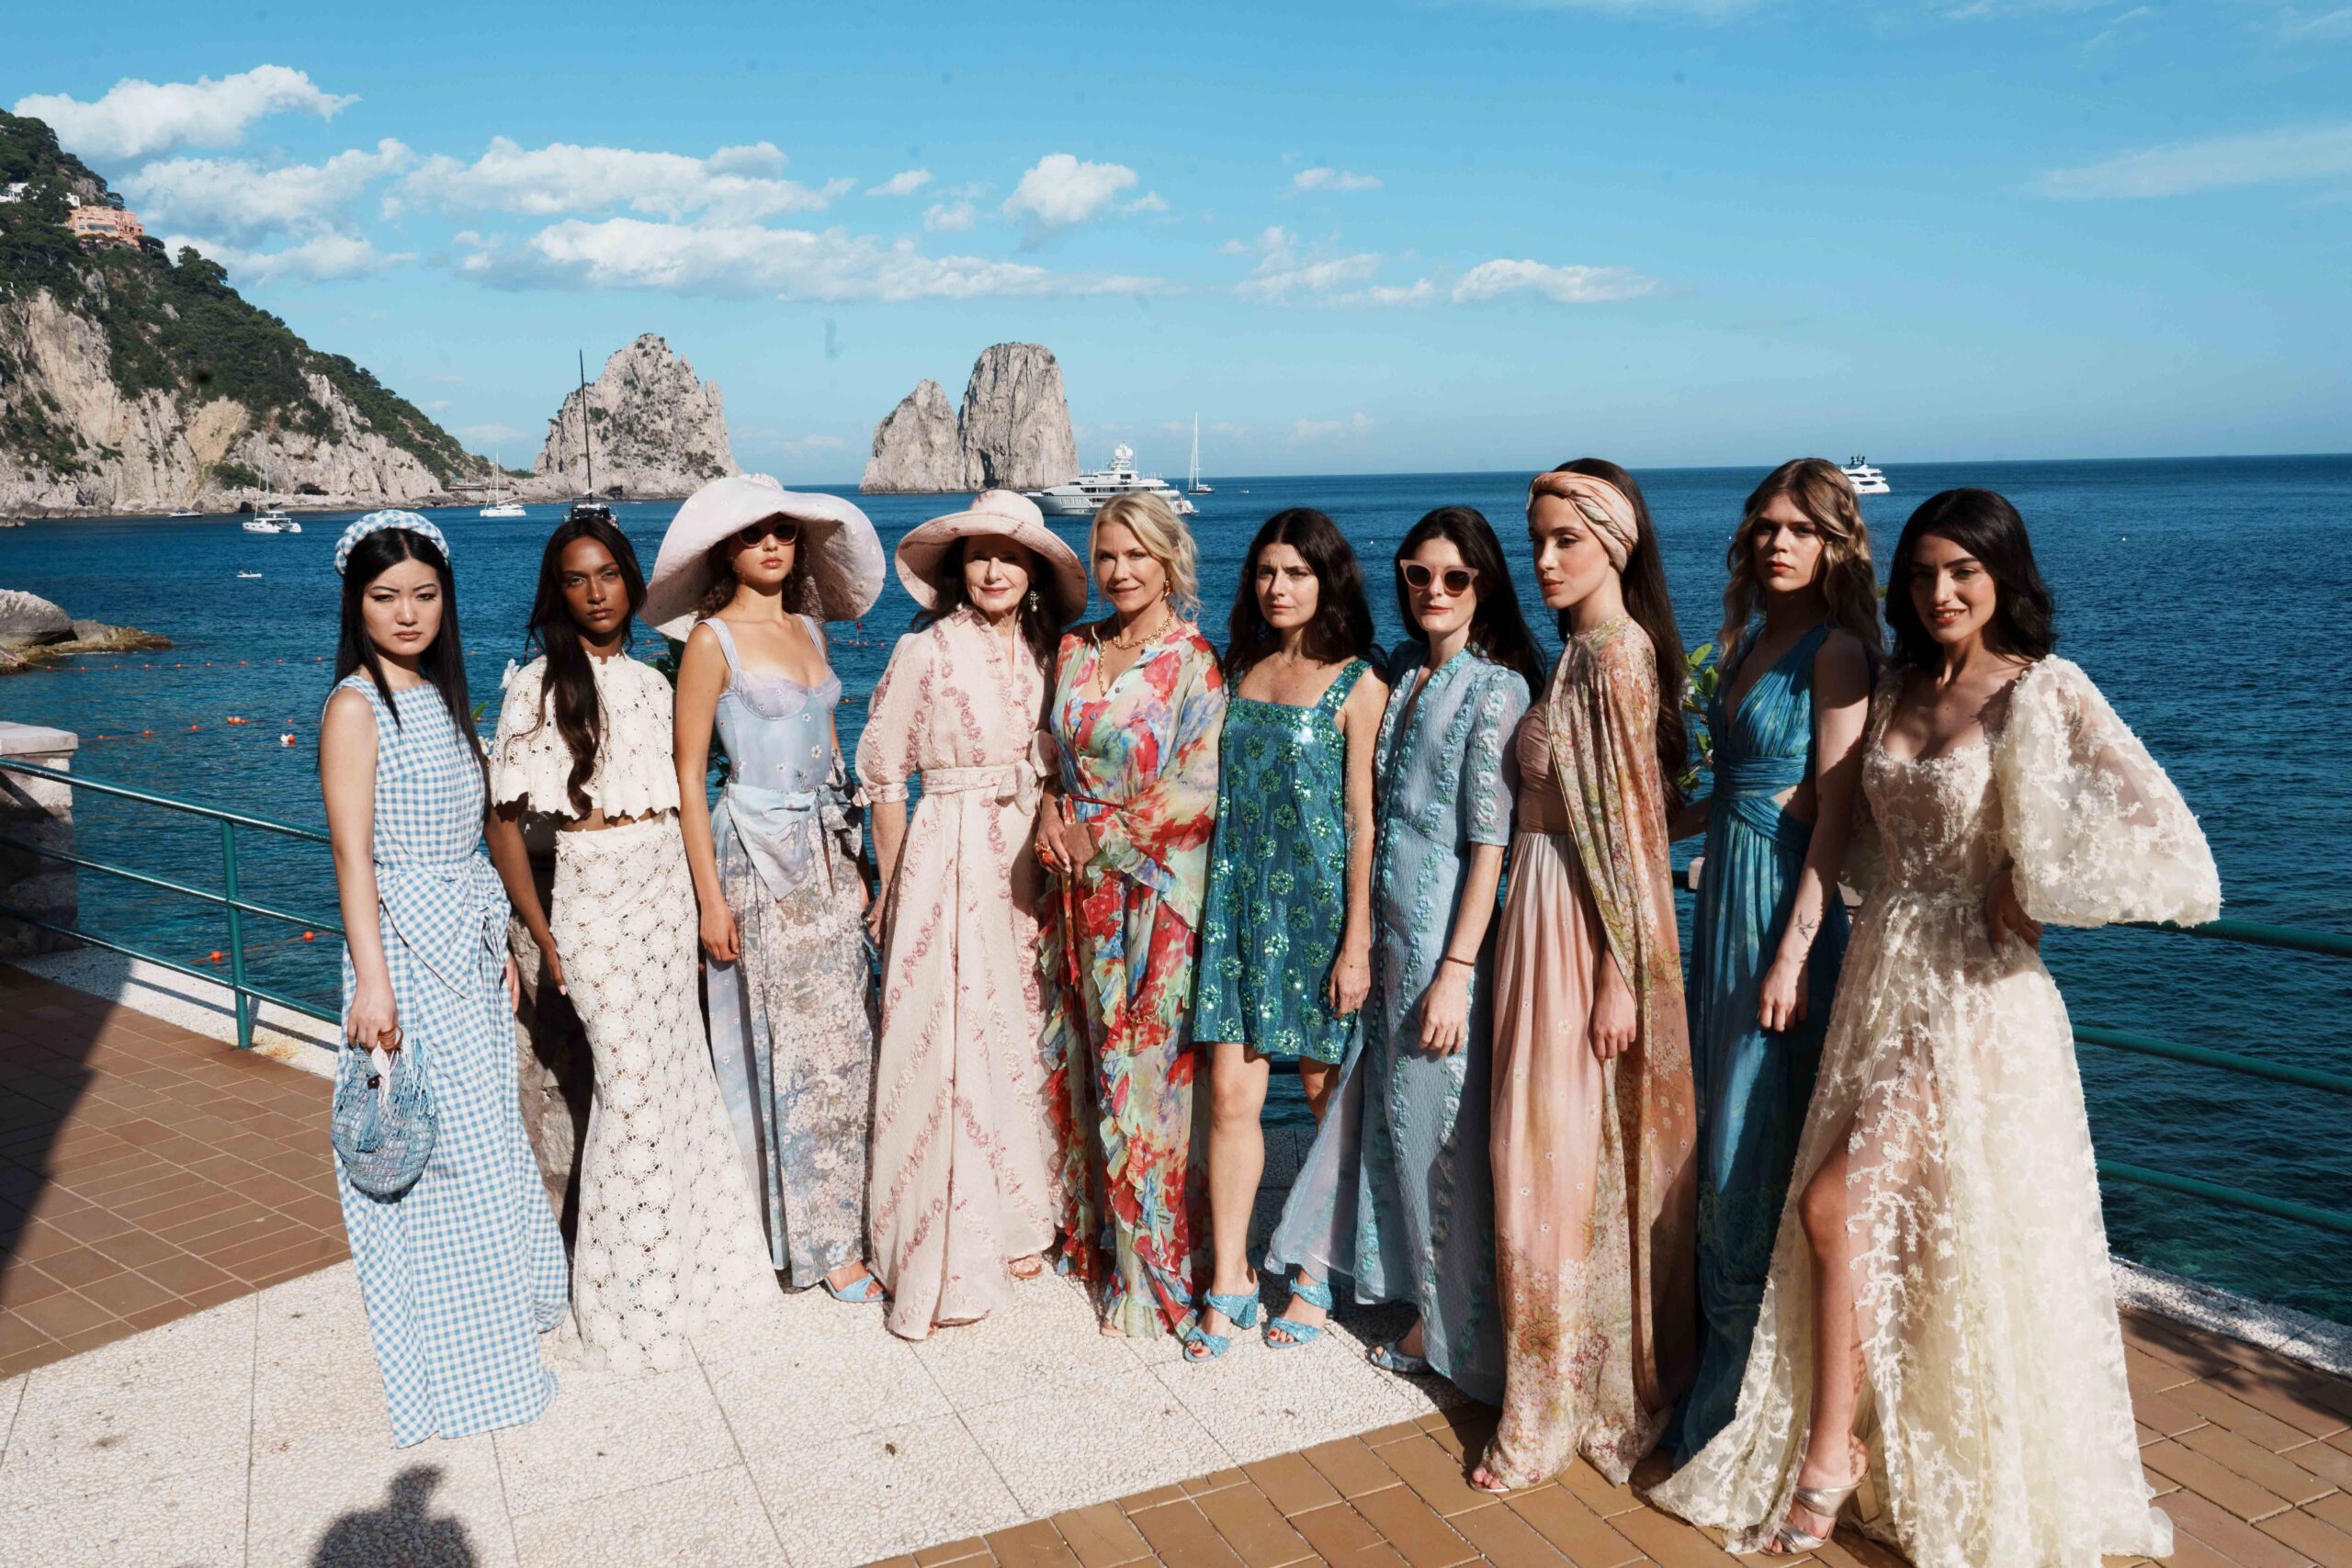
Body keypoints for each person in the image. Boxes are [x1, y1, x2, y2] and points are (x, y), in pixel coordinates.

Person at [1647, 490, 2218, 1564]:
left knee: (1831, 1207)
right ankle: (1897, 1442)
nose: (1940, 592)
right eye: (1921, 574)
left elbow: (2171, 841)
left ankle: (1829, 1457)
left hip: (1978, 998)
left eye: (1963, 571)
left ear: (2005, 576)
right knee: (1909, 1232)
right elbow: (1842, 830)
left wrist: (2034, 886)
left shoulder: (2043, 691)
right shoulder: (1895, 685)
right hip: (1879, 974)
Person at [1261, 506, 1544, 1394]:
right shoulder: (1406, 674)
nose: (1434, 590)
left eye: (1454, 577)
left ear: (1484, 584)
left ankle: (1447, 1321)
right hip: (1386, 939)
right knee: (1372, 1109)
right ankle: (1345, 1275)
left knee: (1435, 1134)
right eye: (1419, 575)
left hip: (1440, 948)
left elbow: (1490, 846)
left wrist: (1457, 973)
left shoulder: (1496, 689)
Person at [484, 513, 777, 1372]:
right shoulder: (535, 687)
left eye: (608, 574)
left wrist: (702, 903)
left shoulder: (654, 684)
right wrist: (543, 932)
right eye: (576, 579)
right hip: (593, 898)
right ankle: (627, 1308)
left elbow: (684, 796)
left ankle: (697, 1280)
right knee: (632, 1091)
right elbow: (503, 825)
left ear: (632, 581)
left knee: (681, 1083)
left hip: (664, 895)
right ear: (558, 592)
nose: (596, 592)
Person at [317, 513, 567, 1446]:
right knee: (436, 1158)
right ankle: (461, 1370)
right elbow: (354, 859)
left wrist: (497, 940)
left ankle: (501, 1332)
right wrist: (371, 985)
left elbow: (472, 839)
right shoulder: (354, 707)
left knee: (484, 1142)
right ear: (357, 603)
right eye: (386, 597)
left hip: (464, 945)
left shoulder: (439, 696)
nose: (407, 612)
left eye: (424, 594)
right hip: (403, 957)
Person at [1475, 461, 1699, 1494]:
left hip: (1579, 925)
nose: (1544, 558)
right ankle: (1548, 1384)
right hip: (1539, 910)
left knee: (1551, 1159)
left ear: (1614, 541)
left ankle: (1555, 1402)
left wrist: (1618, 974)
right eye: (1536, 540)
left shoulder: (1617, 656)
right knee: (1541, 1156)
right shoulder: (1578, 651)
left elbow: (1632, 834)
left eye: (1565, 538)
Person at [1668, 458, 1877, 1459]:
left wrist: (1792, 956)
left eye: (1802, 529)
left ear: (1836, 546)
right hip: (1724, 913)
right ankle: (1718, 1377)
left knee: (1755, 1139)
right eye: (1766, 527)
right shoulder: (1750, 640)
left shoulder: (1837, 654)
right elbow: (1732, 786)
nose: (1779, 543)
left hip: (1781, 916)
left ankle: (1749, 1413)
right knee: (1719, 1121)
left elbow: (1834, 816)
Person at [645, 475, 888, 1303]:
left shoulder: (809, 627)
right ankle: (817, 1243)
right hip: (755, 856)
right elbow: (688, 774)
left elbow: (832, 748)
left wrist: (859, 860)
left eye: (783, 532)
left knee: (846, 1039)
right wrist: (709, 900)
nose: (772, 545)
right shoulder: (710, 641)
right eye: (754, 535)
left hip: (827, 851)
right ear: (728, 551)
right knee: (787, 1041)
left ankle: (851, 1215)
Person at [857, 490, 1089, 1340]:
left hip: (1028, 850)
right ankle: (945, 1230)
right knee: (948, 1030)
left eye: (1011, 556)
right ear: (959, 567)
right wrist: (891, 885)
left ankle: (1023, 1210)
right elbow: (886, 774)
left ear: (1033, 572)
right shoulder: (924, 647)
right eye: (980, 554)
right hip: (948, 847)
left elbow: (1061, 764)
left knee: (1019, 1022)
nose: (994, 569)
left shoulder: (1046, 652)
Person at [1185, 509, 1387, 1361]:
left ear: (1327, 579)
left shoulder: (1359, 683)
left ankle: (1314, 1270)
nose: (1278, 587)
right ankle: (1230, 1276)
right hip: (1237, 904)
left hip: (1319, 913)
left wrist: (1357, 941)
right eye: (1266, 571)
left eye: (1296, 572)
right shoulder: (1237, 669)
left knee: (1323, 1096)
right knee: (1231, 1098)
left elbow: (1365, 822)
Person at [1036, 490, 1227, 1338]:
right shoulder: (1073, 649)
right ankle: (1103, 1245)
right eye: (1107, 555)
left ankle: (1157, 1274)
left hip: (1155, 892)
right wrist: (1050, 812)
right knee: (1089, 1056)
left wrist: (1099, 834)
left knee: (1150, 1076)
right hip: (1079, 886)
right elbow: (1053, 758)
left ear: (1169, 560)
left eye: (1137, 555)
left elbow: (1196, 787)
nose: (1120, 571)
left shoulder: (1193, 661)